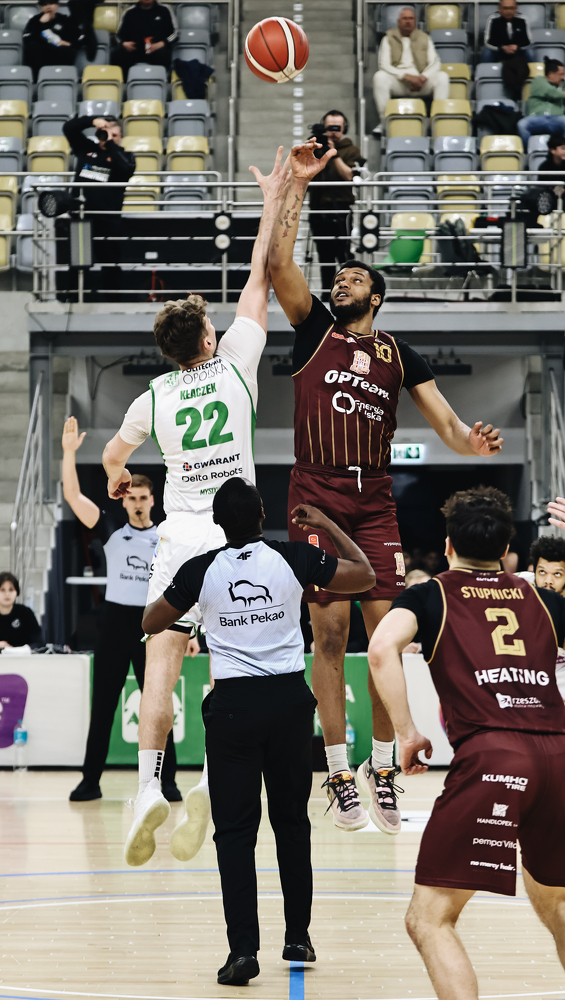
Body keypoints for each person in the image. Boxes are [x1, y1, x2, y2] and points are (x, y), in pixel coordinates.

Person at [268, 138, 504, 835]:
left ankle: (382, 767)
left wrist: (471, 443)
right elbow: (279, 265)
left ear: (376, 295)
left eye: (352, 279)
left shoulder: (399, 353)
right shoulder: (313, 328)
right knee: (329, 635)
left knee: (387, 637)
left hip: (373, 502)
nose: (339, 283)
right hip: (316, 497)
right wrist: (297, 188)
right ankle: (339, 773)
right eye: (336, 277)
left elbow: (448, 426)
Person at [101, 148, 291, 867]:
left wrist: (119, 480)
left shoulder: (151, 396)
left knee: (160, 662)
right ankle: (213, 775)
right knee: (229, 666)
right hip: (234, 536)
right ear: (208, 338)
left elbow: (113, 456)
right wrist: (272, 200)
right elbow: (258, 275)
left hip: (178, 539)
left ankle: (150, 786)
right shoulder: (237, 362)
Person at [142, 477, 376, 987]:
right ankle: (298, 938)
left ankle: (242, 951)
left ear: (217, 524)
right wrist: (327, 523)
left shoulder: (201, 569)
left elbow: (151, 621)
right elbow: (364, 574)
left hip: (233, 711)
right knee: (292, 824)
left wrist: (182, 581)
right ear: (264, 514)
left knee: (234, 833)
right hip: (289, 704)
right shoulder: (293, 557)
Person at [367, 485, 565, 1000]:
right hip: (559, 756)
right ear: (507, 551)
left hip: (493, 757)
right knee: (557, 904)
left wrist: (407, 732)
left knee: (429, 919)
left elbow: (381, 648)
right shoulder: (546, 601)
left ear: (448, 545)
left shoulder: (431, 594)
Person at [61, 417, 184, 803]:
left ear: (153, 500)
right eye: (132, 498)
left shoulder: (167, 535)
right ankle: (90, 781)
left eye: (143, 498)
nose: (138, 503)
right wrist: (68, 453)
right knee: (103, 705)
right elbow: (73, 497)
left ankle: (167, 782)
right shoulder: (112, 528)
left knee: (157, 701)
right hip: (114, 623)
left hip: (152, 625)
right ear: (123, 499)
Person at [62, 115, 136, 298]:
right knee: (79, 261)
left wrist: (110, 145)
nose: (111, 138)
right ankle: (75, 300)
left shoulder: (125, 156)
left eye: (115, 135)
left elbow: (126, 169)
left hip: (108, 219)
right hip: (81, 216)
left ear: (121, 137)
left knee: (110, 263)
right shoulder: (86, 148)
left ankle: (112, 301)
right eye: (107, 134)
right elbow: (69, 128)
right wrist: (93, 121)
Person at [308, 111, 363, 301]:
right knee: (324, 256)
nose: (332, 132)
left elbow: (349, 176)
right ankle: (327, 295)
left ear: (344, 129)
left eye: (336, 128)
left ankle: (351, 294)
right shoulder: (315, 149)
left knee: (343, 255)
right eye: (329, 127)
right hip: (318, 209)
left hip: (341, 209)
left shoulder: (351, 150)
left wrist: (334, 154)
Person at [372, 7, 449, 123]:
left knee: (442, 77)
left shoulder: (425, 38)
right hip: (399, 82)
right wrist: (404, 76)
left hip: (421, 82)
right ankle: (385, 122)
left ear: (415, 21)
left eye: (411, 18)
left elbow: (435, 62)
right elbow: (384, 65)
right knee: (379, 77)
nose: (408, 21)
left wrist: (424, 77)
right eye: (405, 18)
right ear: (399, 22)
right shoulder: (388, 38)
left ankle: (437, 122)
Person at [483, 0, 534, 100]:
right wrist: (502, 47)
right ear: (499, 9)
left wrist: (517, 47)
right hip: (499, 52)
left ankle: (535, 79)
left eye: (511, 8)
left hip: (518, 53)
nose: (508, 11)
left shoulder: (523, 19)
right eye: (505, 8)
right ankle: (483, 77)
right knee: (487, 52)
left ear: (516, 9)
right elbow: (487, 41)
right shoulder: (493, 19)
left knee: (530, 52)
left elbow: (528, 41)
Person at [116, 0, 178, 72]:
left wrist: (162, 43)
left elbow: (174, 33)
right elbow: (119, 36)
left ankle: (161, 77)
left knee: (164, 55)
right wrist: (124, 43)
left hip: (157, 49)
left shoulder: (164, 10)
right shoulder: (130, 12)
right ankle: (124, 78)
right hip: (135, 50)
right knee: (118, 54)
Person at [23, 1, 79, 81]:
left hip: (59, 52)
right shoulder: (35, 20)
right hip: (41, 53)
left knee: (67, 50)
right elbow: (27, 39)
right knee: (32, 47)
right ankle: (37, 80)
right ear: (41, 7)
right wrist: (40, 23)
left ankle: (63, 78)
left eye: (51, 3)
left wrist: (70, 44)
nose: (48, 6)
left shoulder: (65, 20)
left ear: (57, 5)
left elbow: (76, 38)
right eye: (44, 4)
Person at [517, 59, 565, 150]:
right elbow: (552, 93)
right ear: (551, 74)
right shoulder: (538, 81)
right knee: (522, 124)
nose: (563, 78)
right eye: (561, 74)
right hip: (537, 118)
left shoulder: (562, 86)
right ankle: (526, 153)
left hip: (556, 119)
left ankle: (563, 151)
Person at [0, 572, 42, 649]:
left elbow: (39, 642)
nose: (7, 594)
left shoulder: (25, 613)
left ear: (16, 592)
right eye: (2, 590)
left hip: (23, 655)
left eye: (11, 590)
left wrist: (24, 649)